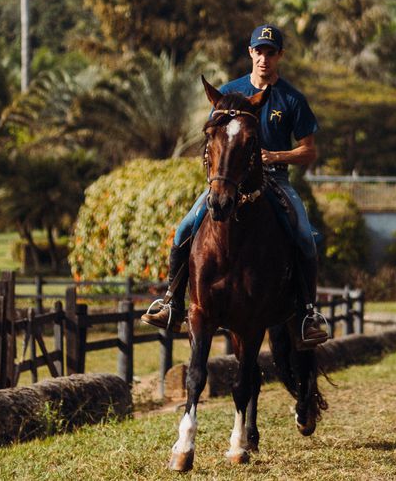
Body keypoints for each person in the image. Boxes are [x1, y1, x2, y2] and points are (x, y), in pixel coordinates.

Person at [142, 24, 331, 349]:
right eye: (259, 51)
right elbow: (214, 137)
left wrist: (275, 154)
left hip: (277, 180)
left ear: (279, 56)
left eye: (271, 52)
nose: (264, 58)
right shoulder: (231, 93)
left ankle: (307, 316)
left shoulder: (292, 99)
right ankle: (171, 302)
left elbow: (309, 150)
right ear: (250, 53)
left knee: (304, 235)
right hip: (229, 180)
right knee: (185, 227)